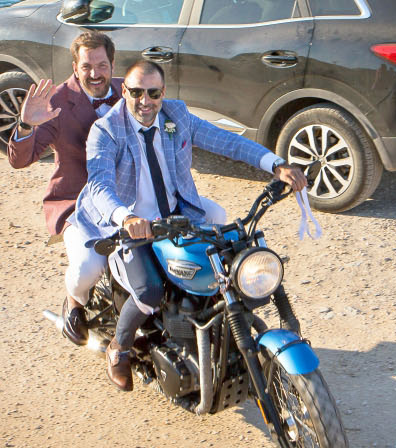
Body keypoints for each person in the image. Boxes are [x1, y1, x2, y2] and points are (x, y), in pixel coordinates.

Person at [74, 58, 306, 392]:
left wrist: (276, 165)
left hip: (176, 217)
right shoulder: (107, 130)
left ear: (163, 92)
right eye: (136, 91)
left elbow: (226, 141)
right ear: (123, 90)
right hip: (129, 226)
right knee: (150, 292)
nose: (145, 100)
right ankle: (119, 348)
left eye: (153, 92)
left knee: (225, 262)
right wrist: (125, 217)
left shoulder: (176, 115)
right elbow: (99, 185)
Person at [7, 32, 123, 346]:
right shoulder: (57, 101)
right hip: (77, 202)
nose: (95, 73)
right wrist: (27, 125)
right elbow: (21, 160)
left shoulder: (128, 91)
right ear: (75, 66)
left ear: (112, 63)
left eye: (102, 65)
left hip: (126, 200)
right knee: (88, 266)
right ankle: (73, 302)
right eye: (87, 66)